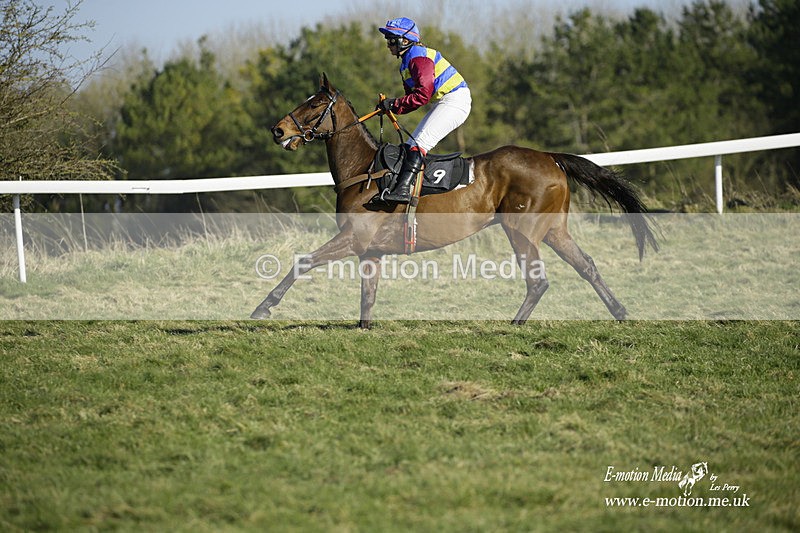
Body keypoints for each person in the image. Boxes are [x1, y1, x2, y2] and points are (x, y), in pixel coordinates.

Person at [372, 17, 471, 204]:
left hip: (454, 100)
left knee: (419, 144)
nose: (388, 44)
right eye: (388, 39)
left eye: (392, 39)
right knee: (410, 146)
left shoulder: (418, 57)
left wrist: (393, 104)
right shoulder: (406, 62)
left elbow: (423, 95)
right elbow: (413, 100)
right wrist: (391, 107)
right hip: (444, 102)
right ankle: (405, 188)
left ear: (405, 40)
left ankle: (403, 191)